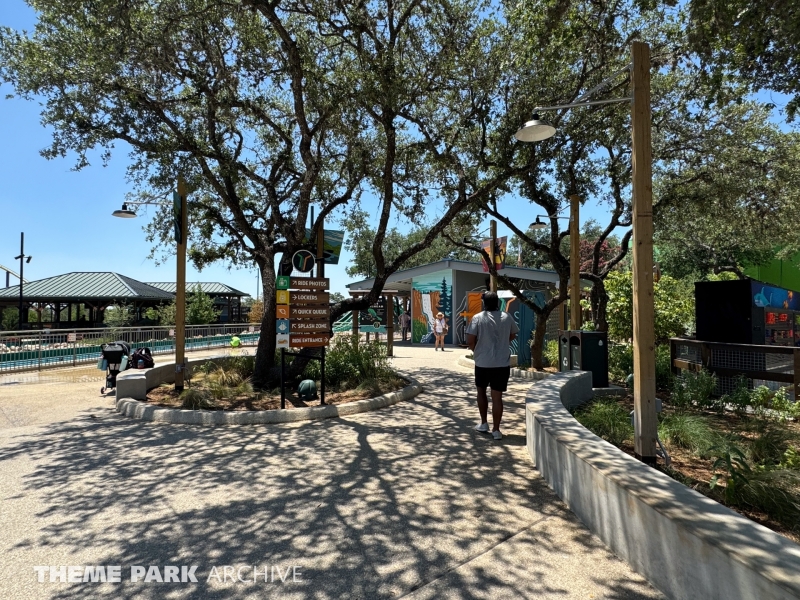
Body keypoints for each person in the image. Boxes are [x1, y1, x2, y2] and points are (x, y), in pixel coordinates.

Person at [466, 292, 518, 440]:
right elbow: (513, 334)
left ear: (484, 303)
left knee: (481, 392)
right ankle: (496, 430)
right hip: (501, 363)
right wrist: (502, 343)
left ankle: (484, 423)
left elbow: (470, 339)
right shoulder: (506, 317)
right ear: (497, 302)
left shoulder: (478, 318)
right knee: (497, 397)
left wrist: (476, 349)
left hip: (482, 362)